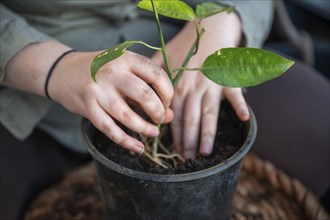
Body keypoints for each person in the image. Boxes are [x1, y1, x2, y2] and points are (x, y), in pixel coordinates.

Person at [0, 1, 328, 219]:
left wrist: (223, 19)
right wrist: (52, 66)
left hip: (189, 41)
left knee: (320, 128)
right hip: (33, 84)